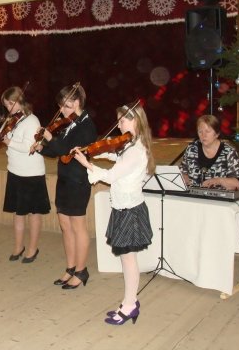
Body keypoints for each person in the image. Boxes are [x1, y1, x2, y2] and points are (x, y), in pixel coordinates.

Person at [74, 102, 155, 326]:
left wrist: (87, 163)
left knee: (129, 260)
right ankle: (130, 302)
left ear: (136, 121)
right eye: (119, 120)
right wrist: (99, 150)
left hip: (130, 210)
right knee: (126, 259)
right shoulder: (131, 144)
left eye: (123, 120)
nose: (119, 125)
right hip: (123, 207)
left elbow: (110, 176)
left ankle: (130, 305)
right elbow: (118, 156)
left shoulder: (136, 151)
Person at [32, 83, 97, 288]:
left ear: (77, 103)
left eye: (66, 105)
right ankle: (70, 268)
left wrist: (50, 137)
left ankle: (81, 271)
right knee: (65, 226)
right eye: (60, 106)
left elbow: (66, 150)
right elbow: (56, 150)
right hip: (65, 179)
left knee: (78, 227)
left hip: (78, 180)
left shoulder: (86, 125)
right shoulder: (70, 123)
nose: (62, 110)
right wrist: (41, 148)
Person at [0, 86, 51, 263]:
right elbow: (1, 131)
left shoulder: (32, 121)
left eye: (10, 104)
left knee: (34, 213)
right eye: (6, 105)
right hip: (15, 171)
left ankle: (32, 248)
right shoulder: (14, 119)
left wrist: (9, 142)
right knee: (18, 212)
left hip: (31, 173)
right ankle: (18, 246)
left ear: (20, 101)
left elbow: (28, 147)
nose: (8, 108)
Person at [180, 114, 239, 191]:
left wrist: (219, 181)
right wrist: (184, 178)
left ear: (217, 134)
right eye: (200, 131)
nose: (203, 135)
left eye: (207, 131)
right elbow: (182, 172)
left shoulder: (228, 152)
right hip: (193, 195)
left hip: (219, 197)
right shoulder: (191, 149)